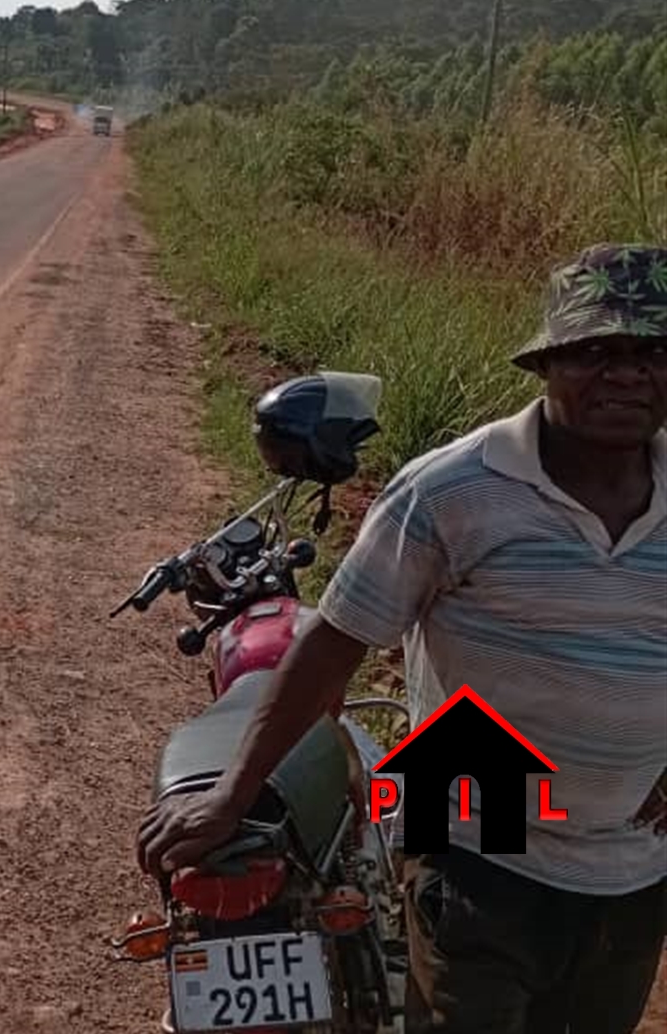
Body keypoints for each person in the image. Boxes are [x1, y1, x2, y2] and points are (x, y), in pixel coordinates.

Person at [136, 242, 667, 1033]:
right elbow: (327, 649)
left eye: (652, 352)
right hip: (475, 841)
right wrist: (231, 797)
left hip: (631, 863)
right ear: (549, 364)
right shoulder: (455, 491)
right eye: (596, 351)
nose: (626, 373)